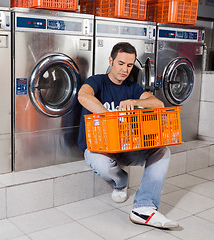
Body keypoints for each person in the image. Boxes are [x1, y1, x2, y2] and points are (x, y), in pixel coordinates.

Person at [77, 42, 179, 229]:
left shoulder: (132, 88)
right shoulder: (97, 81)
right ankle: (121, 181)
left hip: (126, 146)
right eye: (121, 63)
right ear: (111, 61)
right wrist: (111, 117)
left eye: (129, 65)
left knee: (162, 151)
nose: (125, 69)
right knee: (102, 165)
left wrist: (133, 101)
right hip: (99, 148)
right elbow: (83, 96)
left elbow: (158, 105)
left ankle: (145, 206)